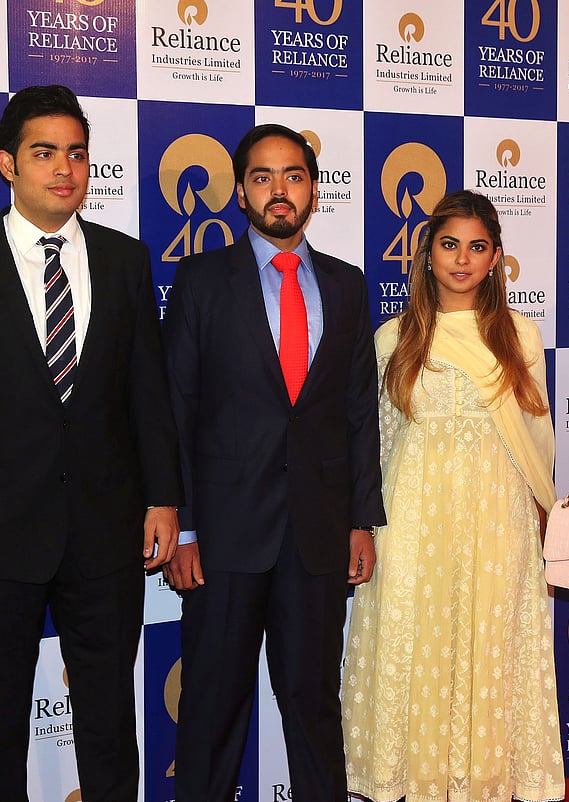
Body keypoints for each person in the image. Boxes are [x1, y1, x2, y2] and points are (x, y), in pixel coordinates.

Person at [0, 84, 182, 801]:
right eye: (45, 152)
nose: (65, 168)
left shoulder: (125, 260)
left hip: (107, 536)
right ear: (7, 163)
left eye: (77, 154)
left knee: (110, 725)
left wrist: (163, 499)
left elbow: (147, 394)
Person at [162, 123, 385, 802]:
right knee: (212, 706)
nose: (279, 190)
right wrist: (184, 527)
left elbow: (358, 413)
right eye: (262, 177)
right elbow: (176, 410)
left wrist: (361, 521)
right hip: (223, 537)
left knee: (314, 705)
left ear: (314, 190)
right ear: (241, 192)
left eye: (293, 176)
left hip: (317, 535)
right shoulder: (201, 280)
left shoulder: (347, 286)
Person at [341, 189, 564, 802]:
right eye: (449, 245)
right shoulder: (393, 338)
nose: (462, 259)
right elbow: (378, 441)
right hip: (412, 517)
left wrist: (546, 519)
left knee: (489, 650)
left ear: (495, 258)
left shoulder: (520, 336)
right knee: (415, 647)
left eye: (477, 247)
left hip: (498, 520)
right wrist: (367, 522)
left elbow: (536, 441)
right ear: (428, 254)